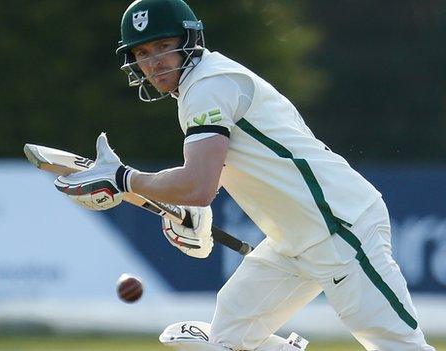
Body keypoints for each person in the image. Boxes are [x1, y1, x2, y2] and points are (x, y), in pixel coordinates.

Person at [53, 0, 436, 350]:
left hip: (339, 225)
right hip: (293, 238)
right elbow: (214, 175)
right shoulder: (201, 85)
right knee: (230, 338)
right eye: (142, 53)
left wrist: (125, 181)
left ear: (189, 40)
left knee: (399, 346)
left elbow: (199, 185)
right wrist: (186, 208)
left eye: (163, 46)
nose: (154, 62)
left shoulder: (207, 86)